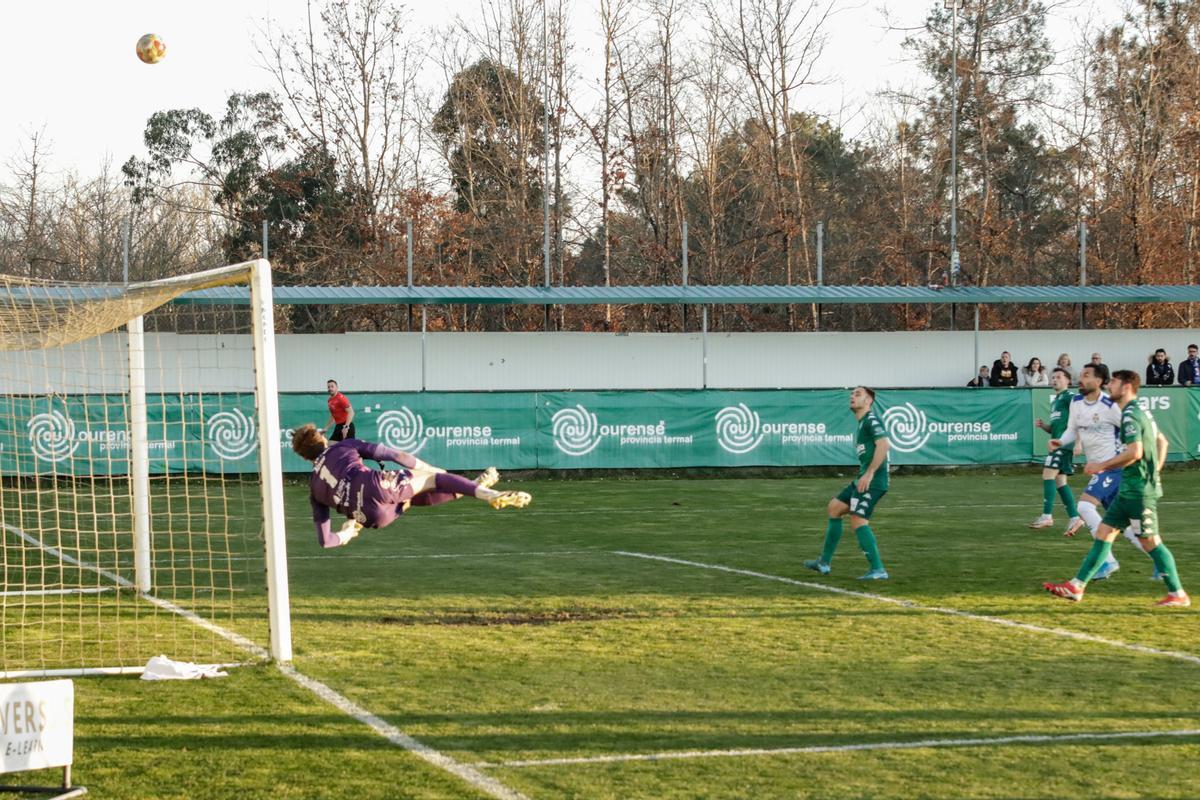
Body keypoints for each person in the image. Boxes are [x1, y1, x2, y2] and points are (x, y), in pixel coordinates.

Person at [1044, 370, 1189, 607]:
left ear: (1127, 387)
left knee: (1150, 541)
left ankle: (1177, 594)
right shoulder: (1138, 411)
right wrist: (1155, 473)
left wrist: (1102, 465)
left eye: (1113, 382)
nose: (1110, 385)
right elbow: (1163, 441)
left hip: (1138, 490)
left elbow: (1135, 453)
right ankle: (1076, 586)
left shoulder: (1130, 414)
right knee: (1104, 533)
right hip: (1129, 488)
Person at [290, 423, 531, 548]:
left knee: (411, 497)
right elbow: (398, 456)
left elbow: (325, 541)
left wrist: (345, 534)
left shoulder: (313, 489)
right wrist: (431, 470)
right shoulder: (342, 446)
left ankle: (472, 485)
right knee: (431, 480)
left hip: (373, 518)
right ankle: (488, 493)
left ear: (305, 457)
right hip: (375, 486)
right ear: (322, 438)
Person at [1049, 364, 1150, 580]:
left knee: (1084, 506)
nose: (1081, 379)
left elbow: (1130, 430)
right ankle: (1160, 562)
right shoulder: (1076, 403)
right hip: (1099, 469)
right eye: (1081, 374)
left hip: (1113, 468)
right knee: (1129, 527)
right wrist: (1061, 441)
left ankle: (1108, 562)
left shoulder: (1109, 405)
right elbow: (1071, 429)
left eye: (1087, 376)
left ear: (1100, 382)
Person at [804, 387, 890, 580]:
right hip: (862, 479)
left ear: (868, 401)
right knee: (834, 508)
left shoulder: (871, 420)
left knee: (858, 520)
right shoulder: (862, 424)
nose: (852, 396)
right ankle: (823, 563)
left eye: (857, 394)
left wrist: (869, 474)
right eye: (852, 394)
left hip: (873, 481)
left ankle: (878, 570)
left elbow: (884, 445)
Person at [1028, 367, 1081, 531]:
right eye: (1053, 377)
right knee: (1060, 481)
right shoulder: (1055, 401)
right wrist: (1044, 426)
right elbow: (1054, 427)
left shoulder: (1070, 397)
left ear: (1068, 380)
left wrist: (1078, 442)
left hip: (1064, 444)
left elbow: (1079, 418)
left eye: (1058, 377)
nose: (1054, 380)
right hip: (1057, 442)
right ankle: (1074, 518)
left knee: (1048, 474)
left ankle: (1047, 516)